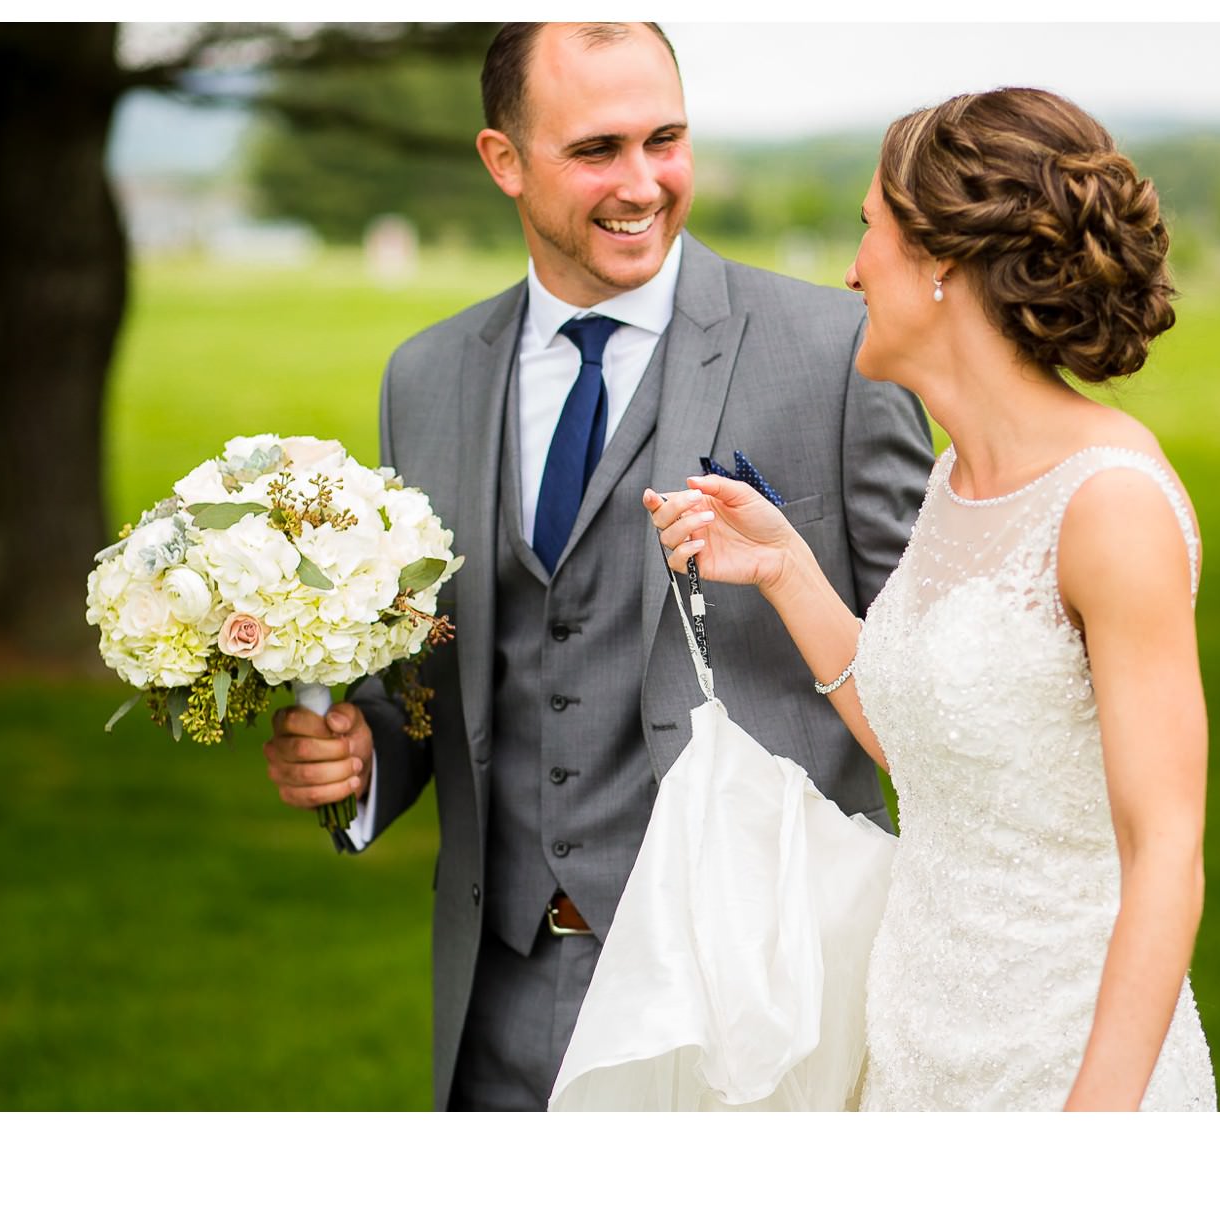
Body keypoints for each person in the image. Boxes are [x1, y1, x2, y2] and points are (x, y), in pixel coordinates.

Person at [262, 22, 934, 1111]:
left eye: (663, 140)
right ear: (502, 161)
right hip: (503, 1000)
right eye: (595, 150)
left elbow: (936, 686)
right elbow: (434, 678)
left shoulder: (837, 353)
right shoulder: (424, 379)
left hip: (753, 1001)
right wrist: (361, 757)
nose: (643, 183)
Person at [646, 87, 1215, 1110]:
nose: (852, 268)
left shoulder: (1108, 504)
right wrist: (782, 567)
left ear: (943, 260)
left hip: (1066, 1059)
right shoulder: (956, 478)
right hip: (914, 1046)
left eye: (868, 230)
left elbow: (1165, 851)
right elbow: (929, 745)